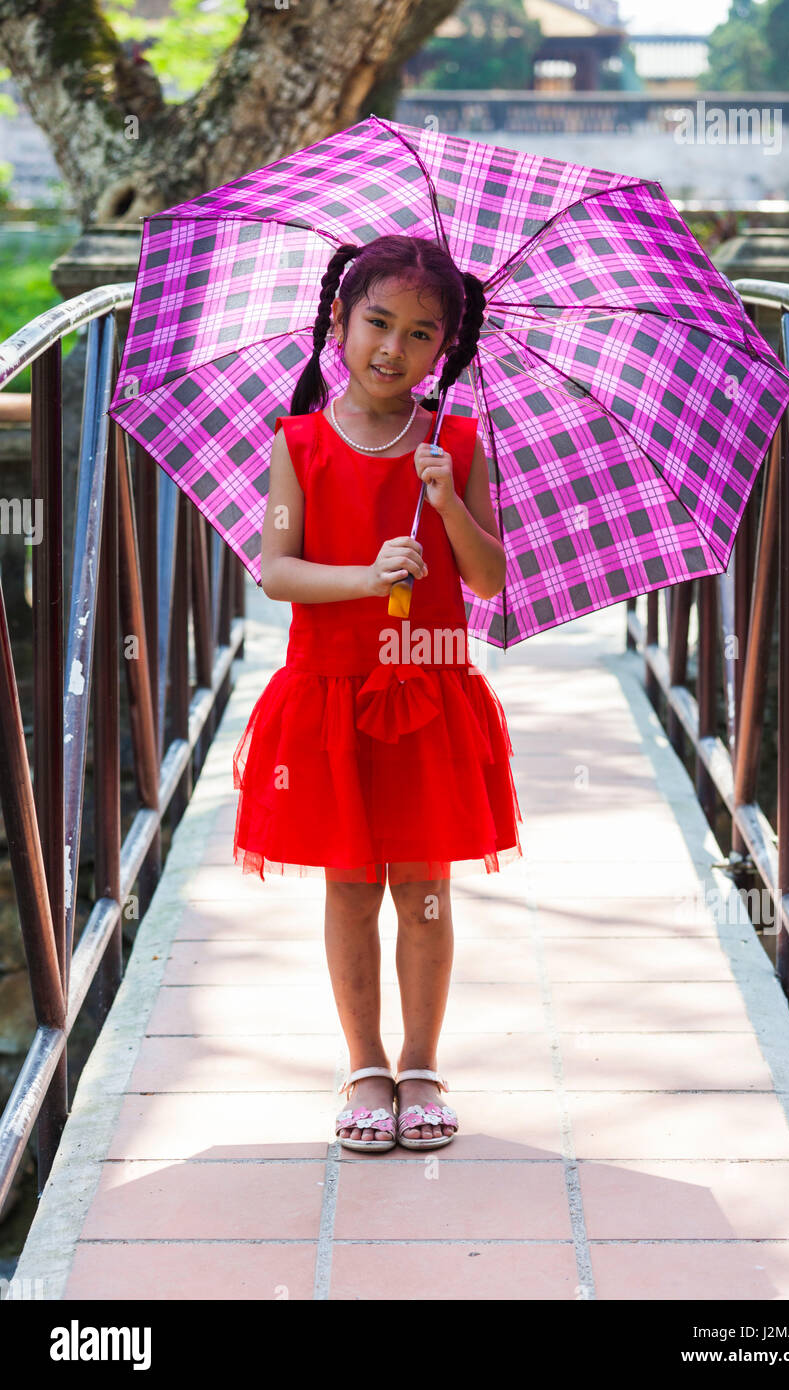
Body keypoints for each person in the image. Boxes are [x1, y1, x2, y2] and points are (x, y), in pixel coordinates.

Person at [232, 234, 523, 1153]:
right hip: (331, 690)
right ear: (338, 321)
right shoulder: (300, 442)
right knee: (352, 884)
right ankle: (364, 1065)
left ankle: (423, 1061)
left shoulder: (460, 445)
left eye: (421, 335)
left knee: (425, 885)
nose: (393, 350)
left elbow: (487, 579)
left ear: (447, 351)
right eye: (378, 324)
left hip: (429, 685)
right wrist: (365, 576)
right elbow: (278, 572)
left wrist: (447, 507)